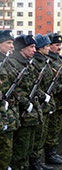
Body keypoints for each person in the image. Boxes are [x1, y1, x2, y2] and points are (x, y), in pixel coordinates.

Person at [9, 34, 44, 170]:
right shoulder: (14, 64)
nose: (34, 50)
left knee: (29, 145)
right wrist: (24, 102)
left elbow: (34, 87)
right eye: (31, 47)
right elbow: (13, 89)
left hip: (32, 113)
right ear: (22, 48)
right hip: (21, 113)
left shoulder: (27, 64)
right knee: (20, 148)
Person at [44, 33, 62, 165]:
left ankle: (55, 151)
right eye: (56, 45)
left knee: (58, 127)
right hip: (53, 99)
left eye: (60, 45)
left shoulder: (59, 59)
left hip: (61, 100)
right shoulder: (48, 61)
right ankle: (50, 154)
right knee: (52, 129)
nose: (59, 47)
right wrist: (60, 88)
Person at [30, 34, 55, 170]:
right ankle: (34, 162)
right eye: (46, 46)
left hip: (46, 102)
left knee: (43, 133)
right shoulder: (35, 63)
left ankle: (38, 161)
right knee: (38, 134)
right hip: (38, 102)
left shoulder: (45, 61)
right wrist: (43, 96)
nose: (48, 48)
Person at [0, 30, 18, 170]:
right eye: (8, 43)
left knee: (7, 149)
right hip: (2, 113)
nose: (12, 46)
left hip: (9, 113)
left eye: (12, 43)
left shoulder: (9, 62)